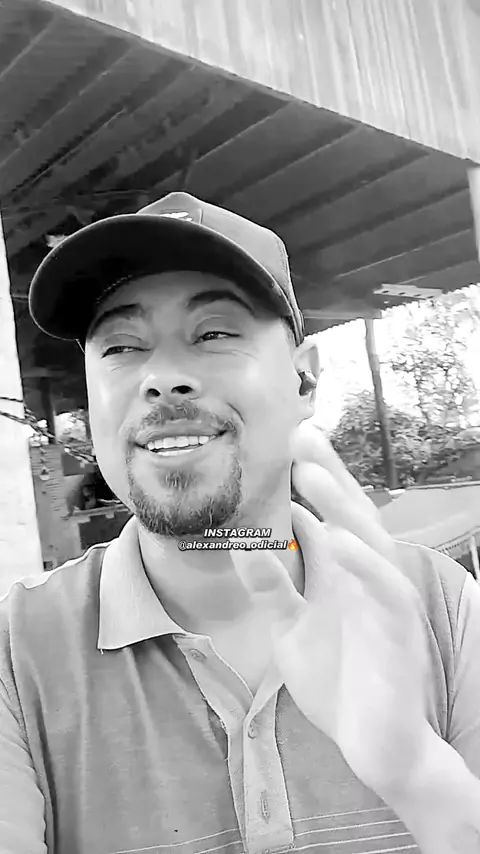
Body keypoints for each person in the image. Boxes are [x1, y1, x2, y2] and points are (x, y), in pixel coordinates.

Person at [1, 193, 480, 854]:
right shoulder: (16, 650)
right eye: (122, 346)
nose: (162, 378)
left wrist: (421, 779)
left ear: (304, 381)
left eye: (215, 333)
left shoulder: (445, 609)